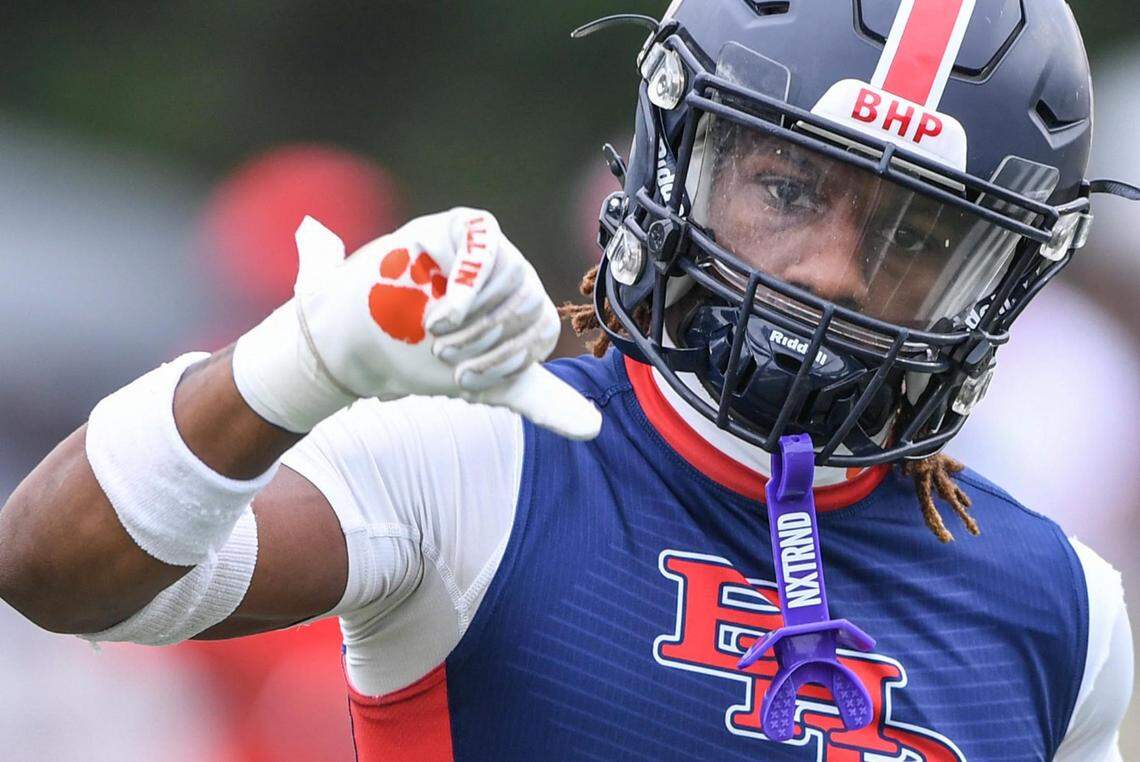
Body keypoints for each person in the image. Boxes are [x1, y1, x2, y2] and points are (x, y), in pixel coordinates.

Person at [0, 1, 1136, 759]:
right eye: (789, 189)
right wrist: (295, 366)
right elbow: (55, 573)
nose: (834, 271)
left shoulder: (1061, 608)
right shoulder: (483, 461)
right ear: (676, 158)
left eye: (919, 239)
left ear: (1000, 277)